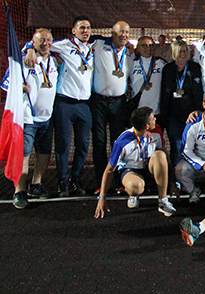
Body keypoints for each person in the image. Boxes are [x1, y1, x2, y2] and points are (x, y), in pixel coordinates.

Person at [24, 16, 94, 196]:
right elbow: (42, 44)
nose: (85, 31)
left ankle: (75, 180)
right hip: (64, 104)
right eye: (81, 27)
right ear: (73, 30)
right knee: (63, 145)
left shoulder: (93, 49)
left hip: (84, 105)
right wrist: (30, 48)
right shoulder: (64, 45)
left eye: (88, 28)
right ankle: (62, 183)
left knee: (83, 145)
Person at [94, 107, 176, 218]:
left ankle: (163, 201)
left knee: (160, 154)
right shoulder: (122, 141)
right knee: (136, 186)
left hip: (148, 168)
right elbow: (109, 170)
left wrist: (173, 181)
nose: (155, 119)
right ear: (147, 126)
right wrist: (102, 198)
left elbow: (164, 157)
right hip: (130, 171)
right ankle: (133, 194)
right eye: (153, 118)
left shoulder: (155, 134)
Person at [7, 29, 57, 208]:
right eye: (41, 40)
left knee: (44, 153)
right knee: (24, 154)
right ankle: (19, 191)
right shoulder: (24, 60)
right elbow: (5, 83)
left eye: (48, 40)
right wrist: (19, 86)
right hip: (28, 118)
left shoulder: (54, 61)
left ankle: (36, 185)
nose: (45, 43)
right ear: (33, 42)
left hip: (47, 117)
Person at [89, 21, 132, 189]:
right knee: (99, 141)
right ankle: (101, 181)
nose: (124, 35)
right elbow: (77, 40)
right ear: (112, 33)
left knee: (118, 142)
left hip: (119, 103)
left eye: (127, 32)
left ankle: (119, 180)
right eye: (121, 32)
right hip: (98, 102)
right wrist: (30, 48)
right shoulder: (99, 43)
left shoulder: (130, 53)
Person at [159, 40, 203, 168]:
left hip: (191, 114)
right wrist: (164, 115)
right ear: (174, 53)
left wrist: (198, 110)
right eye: (180, 51)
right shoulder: (167, 69)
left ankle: (191, 173)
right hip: (173, 115)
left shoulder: (195, 67)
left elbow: (199, 91)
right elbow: (164, 92)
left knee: (192, 145)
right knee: (176, 146)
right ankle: (176, 174)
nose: (183, 54)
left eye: (185, 51)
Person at [127, 36, 166, 117]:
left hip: (156, 111)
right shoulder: (131, 63)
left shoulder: (161, 63)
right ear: (138, 48)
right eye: (144, 45)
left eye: (151, 45)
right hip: (137, 109)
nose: (148, 48)